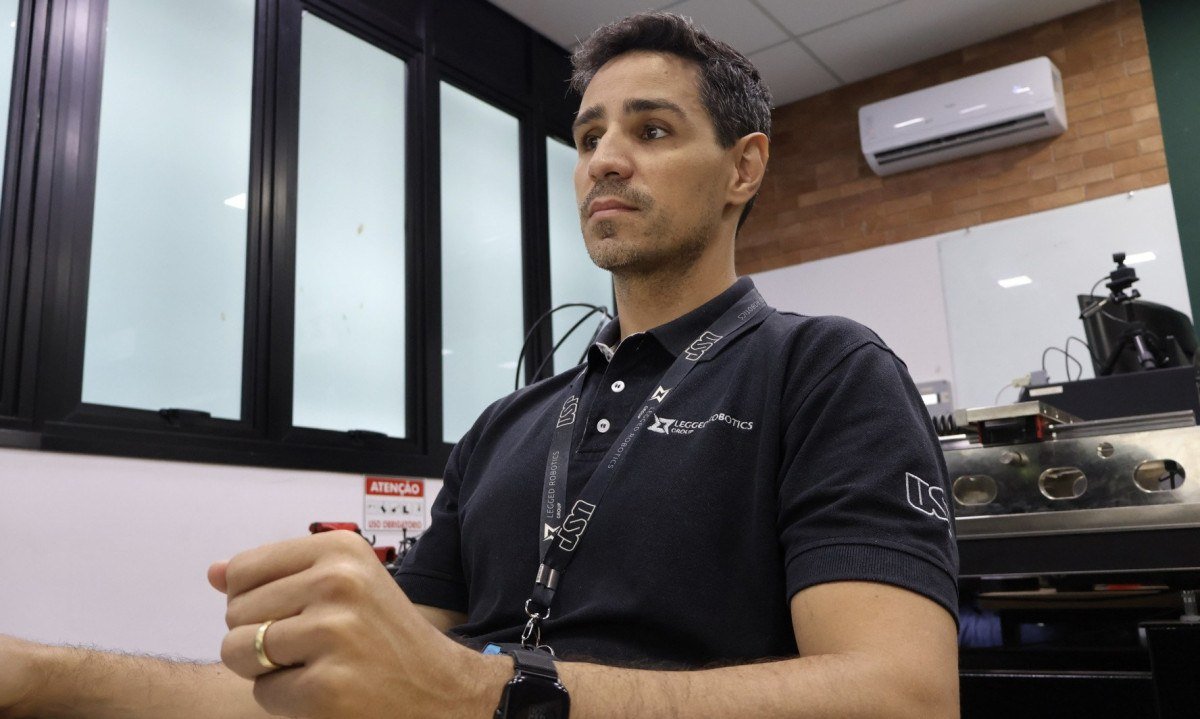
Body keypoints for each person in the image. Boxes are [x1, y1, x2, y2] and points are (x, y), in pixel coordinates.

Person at [0, 11, 959, 719]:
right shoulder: (508, 425)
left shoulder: (825, 370)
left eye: (652, 131)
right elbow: (360, 682)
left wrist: (490, 690)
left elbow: (903, 695)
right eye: (589, 137)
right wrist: (38, 676)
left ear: (742, 168)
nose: (603, 160)